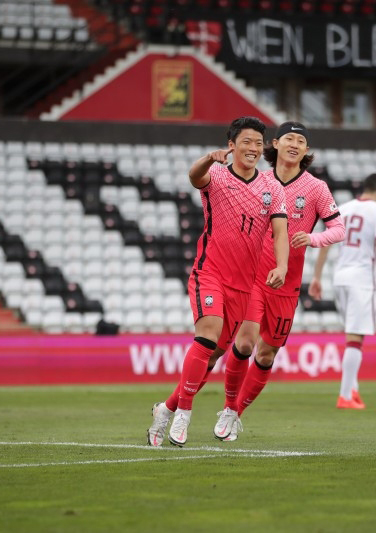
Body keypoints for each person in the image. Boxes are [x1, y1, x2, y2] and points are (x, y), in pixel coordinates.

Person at [146, 116, 289, 447]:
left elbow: (280, 232)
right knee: (207, 335)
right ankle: (184, 414)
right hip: (209, 273)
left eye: (258, 143)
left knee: (212, 356)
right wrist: (208, 159)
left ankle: (164, 410)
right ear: (232, 145)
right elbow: (194, 176)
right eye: (246, 142)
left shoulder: (272, 188)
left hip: (244, 284)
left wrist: (281, 265)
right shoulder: (218, 178)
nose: (253, 148)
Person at [213, 121, 346, 441]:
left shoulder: (316, 188)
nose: (294, 144)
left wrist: (312, 240)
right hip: (254, 275)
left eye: (301, 140)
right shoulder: (258, 179)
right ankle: (228, 407)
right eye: (289, 138)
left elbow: (339, 229)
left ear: (306, 150)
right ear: (275, 143)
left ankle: (236, 413)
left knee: (266, 354)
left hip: (288, 284)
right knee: (244, 343)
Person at [308, 173, 376, 410]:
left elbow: (326, 242)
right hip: (360, 279)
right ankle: (345, 395)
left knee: (352, 334)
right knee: (355, 339)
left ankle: (353, 390)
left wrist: (317, 277)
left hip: (340, 278)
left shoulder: (345, 208)